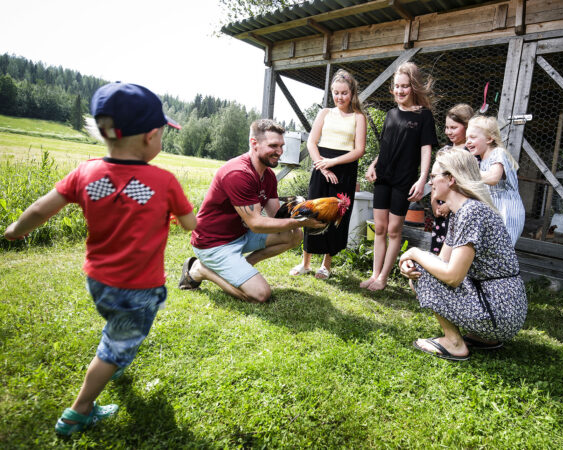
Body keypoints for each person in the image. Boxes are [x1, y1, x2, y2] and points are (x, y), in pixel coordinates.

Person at [3, 82, 197, 435]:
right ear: (151, 136)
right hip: (138, 287)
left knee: (117, 328)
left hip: (99, 281)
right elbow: (189, 224)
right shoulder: (163, 181)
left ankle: (114, 358)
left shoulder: (86, 173)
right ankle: (80, 409)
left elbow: (39, 209)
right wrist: (178, 214)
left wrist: (17, 230)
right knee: (114, 347)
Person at [399, 148, 527, 361]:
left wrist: (413, 253)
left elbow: (452, 276)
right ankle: (484, 338)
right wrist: (414, 261)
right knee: (425, 266)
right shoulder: (463, 212)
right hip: (505, 310)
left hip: (498, 312)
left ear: (450, 179)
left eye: (433, 177)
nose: (430, 183)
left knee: (423, 269)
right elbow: (441, 262)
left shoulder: (471, 212)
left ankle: (454, 343)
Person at [179, 119, 323, 302]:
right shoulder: (238, 173)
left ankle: (243, 266)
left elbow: (275, 216)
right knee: (260, 295)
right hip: (213, 243)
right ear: (254, 143)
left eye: (281, 146)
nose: (279, 152)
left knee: (294, 235)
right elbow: (256, 224)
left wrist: (304, 210)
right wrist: (300, 221)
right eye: (273, 146)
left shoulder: (268, 175)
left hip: (240, 235)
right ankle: (201, 270)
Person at [362, 61, 438, 291]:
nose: (400, 91)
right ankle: (374, 274)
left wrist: (422, 178)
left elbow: (426, 149)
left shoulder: (424, 116)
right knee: (380, 228)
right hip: (383, 177)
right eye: (397, 86)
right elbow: (386, 146)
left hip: (404, 180)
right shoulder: (391, 114)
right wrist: (373, 165)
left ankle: (384, 278)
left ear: (413, 87)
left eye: (405, 86)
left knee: (394, 231)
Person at [289, 70, 367, 279]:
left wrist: (332, 163)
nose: (340, 97)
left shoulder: (359, 117)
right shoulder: (324, 113)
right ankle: (305, 263)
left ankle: (326, 265)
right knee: (311, 212)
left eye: (344, 93)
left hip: (344, 169)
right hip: (321, 166)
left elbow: (359, 150)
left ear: (352, 93)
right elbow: (311, 142)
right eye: (336, 93)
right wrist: (323, 167)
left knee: (335, 216)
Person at [466, 115, 525, 245]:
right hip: (494, 211)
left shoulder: (498, 153)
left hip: (507, 210)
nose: (467, 142)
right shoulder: (483, 161)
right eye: (467, 138)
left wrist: (464, 172)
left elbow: (493, 178)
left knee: (502, 249)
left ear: (489, 138)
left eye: (473, 137)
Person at [430, 103, 474, 254]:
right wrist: (434, 201)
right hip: (440, 208)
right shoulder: (444, 150)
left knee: (455, 248)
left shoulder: (471, 153)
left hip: (458, 209)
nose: (448, 132)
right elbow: (434, 178)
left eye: (454, 128)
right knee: (439, 246)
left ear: (467, 127)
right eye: (447, 127)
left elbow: (470, 184)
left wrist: (449, 205)